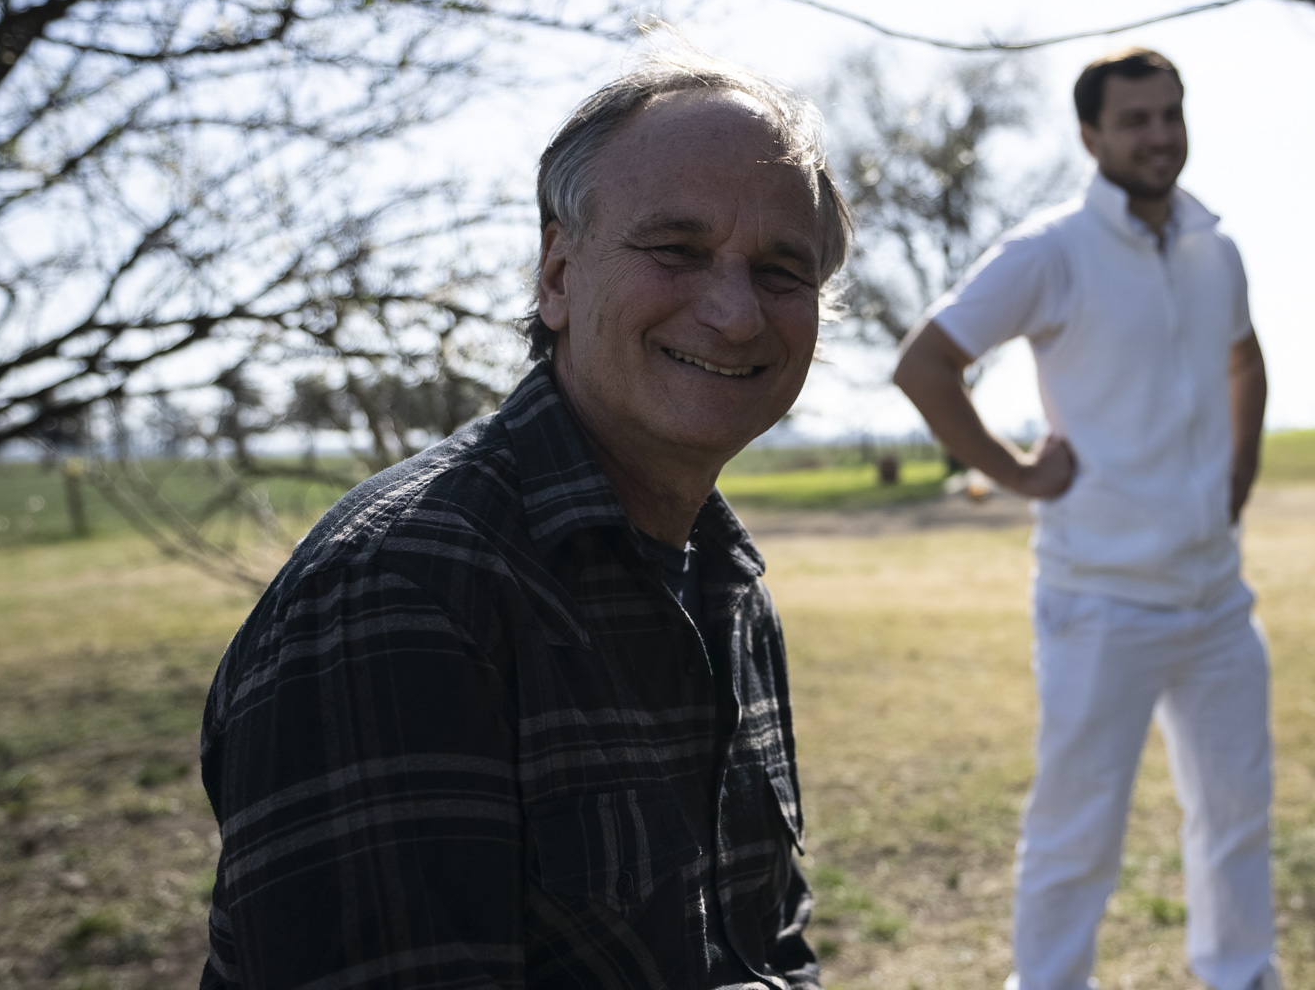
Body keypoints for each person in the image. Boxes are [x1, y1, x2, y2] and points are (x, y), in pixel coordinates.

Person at [197, 52, 851, 989]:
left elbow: (764, 946)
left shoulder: (720, 577)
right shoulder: (404, 591)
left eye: (782, 270)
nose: (737, 312)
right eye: (677, 250)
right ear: (557, 275)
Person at [893, 47, 1277, 990]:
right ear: (1091, 135)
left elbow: (1245, 361)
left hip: (1217, 600)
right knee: (1076, 835)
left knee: (1236, 815)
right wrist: (1018, 474)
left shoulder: (1213, 246)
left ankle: (1242, 975)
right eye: (1137, 119)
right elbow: (925, 365)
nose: (1160, 134)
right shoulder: (1050, 250)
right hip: (1099, 600)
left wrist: (1239, 477)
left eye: (1171, 114)